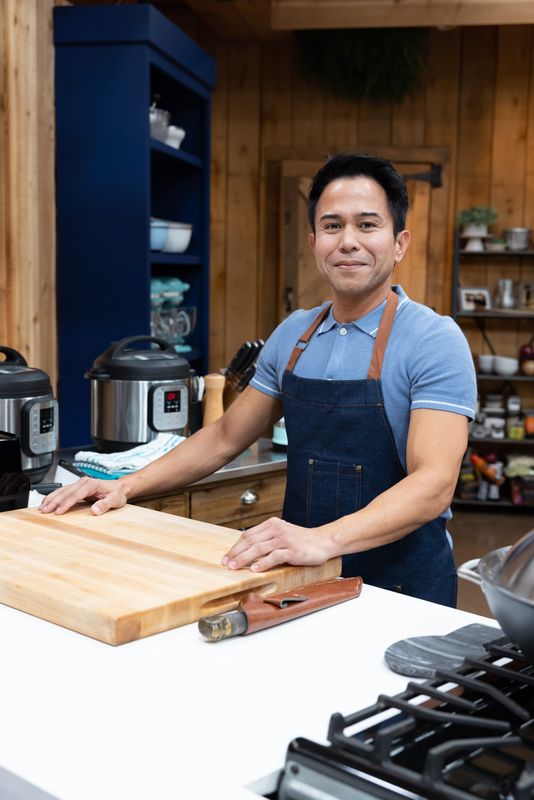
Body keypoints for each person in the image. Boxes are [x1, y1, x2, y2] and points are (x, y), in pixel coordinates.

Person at [41, 153, 476, 607]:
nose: (348, 241)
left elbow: (434, 483)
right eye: (332, 226)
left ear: (400, 242)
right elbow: (226, 436)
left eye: (367, 225)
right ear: (313, 242)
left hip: (403, 587)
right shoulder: (294, 334)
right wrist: (125, 484)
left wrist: (325, 540)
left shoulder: (433, 339)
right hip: (301, 576)